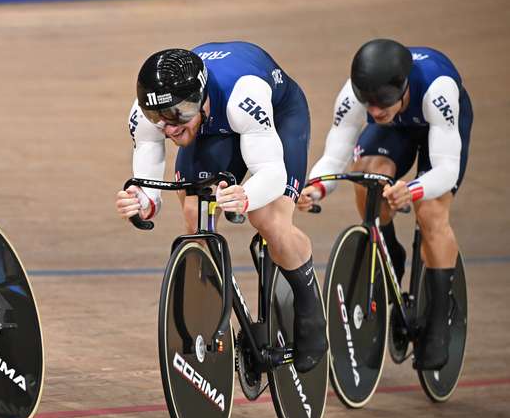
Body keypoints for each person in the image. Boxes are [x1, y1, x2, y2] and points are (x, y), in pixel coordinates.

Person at [116, 44, 328, 373]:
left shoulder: (244, 95)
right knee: (194, 215)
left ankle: (309, 304)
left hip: (275, 117)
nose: (170, 128)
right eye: (160, 119)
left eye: (178, 115)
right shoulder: (152, 111)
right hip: (213, 128)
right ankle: (218, 314)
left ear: (201, 98)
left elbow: (272, 173)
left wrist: (246, 197)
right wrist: (143, 201)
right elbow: (148, 174)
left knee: (268, 218)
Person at [299, 39, 473, 370]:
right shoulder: (354, 97)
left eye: (384, 102)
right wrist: (317, 189)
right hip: (397, 130)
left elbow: (446, 169)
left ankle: (439, 314)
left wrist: (416, 188)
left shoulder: (438, 90)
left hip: (438, 130)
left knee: (431, 212)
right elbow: (335, 157)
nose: (375, 111)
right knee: (368, 177)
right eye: (369, 104)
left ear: (404, 87)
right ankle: (390, 248)